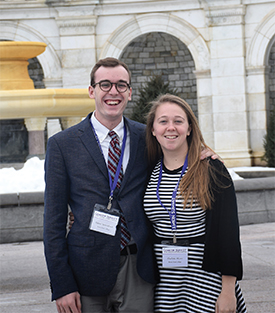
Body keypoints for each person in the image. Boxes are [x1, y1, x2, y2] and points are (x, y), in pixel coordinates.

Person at [44, 57, 217, 313]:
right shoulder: (62, 144)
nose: (113, 92)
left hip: (139, 268)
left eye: (121, 85)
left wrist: (205, 154)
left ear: (130, 92)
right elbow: (53, 221)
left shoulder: (146, 136)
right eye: (105, 84)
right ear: (91, 91)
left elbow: (177, 149)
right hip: (85, 271)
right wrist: (62, 285)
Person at [143, 94, 247, 313]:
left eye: (178, 121)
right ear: (153, 129)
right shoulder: (147, 170)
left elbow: (227, 232)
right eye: (163, 121)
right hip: (164, 281)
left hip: (205, 278)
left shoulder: (211, 169)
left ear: (189, 128)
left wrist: (227, 289)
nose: (170, 127)